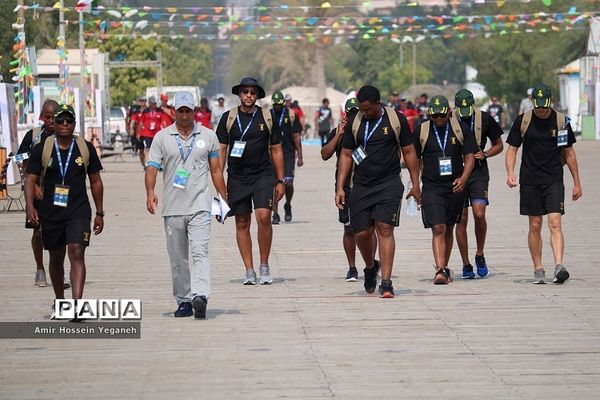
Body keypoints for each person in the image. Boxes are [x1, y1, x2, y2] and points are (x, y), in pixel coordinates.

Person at [145, 92, 227, 319]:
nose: (184, 115)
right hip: (172, 207)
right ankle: (183, 300)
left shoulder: (208, 136)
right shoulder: (162, 138)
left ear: (194, 112)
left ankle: (200, 295)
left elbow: (217, 170)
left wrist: (223, 196)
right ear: (174, 111)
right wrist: (150, 192)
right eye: (180, 110)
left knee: (200, 251)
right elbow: (151, 167)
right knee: (178, 256)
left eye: (187, 111)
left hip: (200, 205)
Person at [336, 85, 421, 298]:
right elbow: (346, 155)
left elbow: (409, 151)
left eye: (367, 110)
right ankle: (371, 266)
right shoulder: (355, 122)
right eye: (361, 110)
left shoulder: (395, 119)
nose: (364, 113)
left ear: (377, 103)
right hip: (361, 185)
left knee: (385, 229)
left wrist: (416, 183)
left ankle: (386, 282)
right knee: (361, 233)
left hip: (389, 183)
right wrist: (340, 186)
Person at [24, 104, 104, 319]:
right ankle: (60, 301)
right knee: (56, 258)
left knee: (77, 251)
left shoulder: (85, 147)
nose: (65, 124)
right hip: (50, 211)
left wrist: (100, 212)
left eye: (69, 121)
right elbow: (30, 179)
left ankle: (78, 306)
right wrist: (30, 207)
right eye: (60, 121)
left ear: (75, 123)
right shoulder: (43, 148)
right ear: (54, 123)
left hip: (78, 210)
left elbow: (95, 181)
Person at [505, 83, 582, 284]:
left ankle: (559, 266)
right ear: (532, 102)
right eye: (538, 106)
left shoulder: (561, 122)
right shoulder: (523, 121)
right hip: (530, 180)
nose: (541, 110)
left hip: (553, 178)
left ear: (551, 102)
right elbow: (512, 149)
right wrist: (510, 172)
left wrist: (577, 182)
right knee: (535, 225)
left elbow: (569, 153)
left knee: (555, 222)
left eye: (545, 106)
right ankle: (538, 268)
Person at [216, 77, 285, 285]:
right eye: (245, 91)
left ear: (257, 96)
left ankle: (264, 266)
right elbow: (221, 149)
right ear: (239, 94)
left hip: (263, 175)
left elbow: (276, 149)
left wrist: (280, 180)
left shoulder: (267, 117)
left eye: (252, 92)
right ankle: (249, 270)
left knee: (264, 217)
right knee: (242, 221)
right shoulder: (228, 118)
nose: (248, 95)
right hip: (237, 177)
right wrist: (218, 179)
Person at [414, 95, 477, 285]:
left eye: (442, 115)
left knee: (449, 227)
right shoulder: (422, 130)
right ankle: (439, 269)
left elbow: (470, 156)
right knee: (438, 227)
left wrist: (464, 179)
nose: (439, 119)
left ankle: (445, 266)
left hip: (454, 186)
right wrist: (415, 185)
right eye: (435, 116)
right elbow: (414, 159)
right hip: (432, 186)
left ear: (449, 112)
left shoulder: (460, 129)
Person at [14, 99, 69, 288]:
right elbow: (20, 158)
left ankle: (59, 272)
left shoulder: (65, 134)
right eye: (47, 117)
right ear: (41, 117)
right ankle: (40, 269)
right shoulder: (34, 136)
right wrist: (31, 184)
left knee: (61, 231)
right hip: (37, 190)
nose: (51, 121)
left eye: (54, 117)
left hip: (60, 191)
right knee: (38, 231)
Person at [322, 98, 377, 282]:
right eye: (350, 112)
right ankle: (352, 267)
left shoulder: (368, 130)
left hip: (366, 183)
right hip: (346, 185)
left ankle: (371, 263)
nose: (354, 116)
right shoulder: (340, 132)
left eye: (357, 112)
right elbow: (325, 154)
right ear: (345, 114)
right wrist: (338, 135)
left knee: (370, 228)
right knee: (349, 228)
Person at [453, 89, 504, 279]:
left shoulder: (484, 118)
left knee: (479, 213)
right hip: (457, 172)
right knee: (462, 218)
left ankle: (480, 254)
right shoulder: (449, 119)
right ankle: (466, 263)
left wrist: (486, 153)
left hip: (479, 172)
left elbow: (499, 144)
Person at [270, 91, 303, 224]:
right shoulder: (268, 115)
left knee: (288, 183)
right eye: (275, 104)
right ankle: (275, 213)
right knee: (274, 184)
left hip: (288, 153)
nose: (278, 106)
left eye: (280, 103)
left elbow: (296, 136)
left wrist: (300, 156)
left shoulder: (290, 114)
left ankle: (288, 204)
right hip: (272, 154)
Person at [138, 96, 169, 168]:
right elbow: (141, 122)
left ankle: (160, 164)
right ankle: (146, 164)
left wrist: (164, 131)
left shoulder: (159, 111)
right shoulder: (146, 111)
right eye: (152, 103)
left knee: (159, 149)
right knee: (147, 148)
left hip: (157, 133)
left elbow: (163, 121)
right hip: (147, 133)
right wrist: (139, 132)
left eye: (155, 103)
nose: (154, 105)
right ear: (149, 103)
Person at [130, 95, 147, 165]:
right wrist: (131, 129)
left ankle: (147, 163)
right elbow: (132, 121)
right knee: (141, 150)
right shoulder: (136, 111)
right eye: (141, 101)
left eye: (144, 101)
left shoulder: (148, 110)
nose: (142, 102)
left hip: (147, 133)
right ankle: (143, 164)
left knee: (148, 149)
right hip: (139, 133)